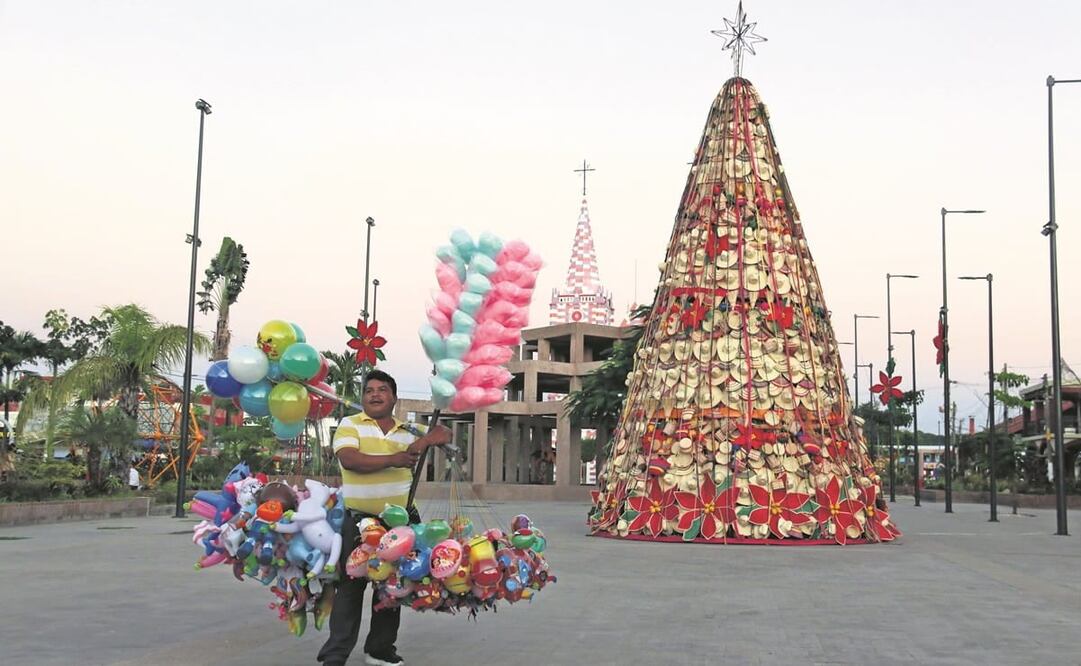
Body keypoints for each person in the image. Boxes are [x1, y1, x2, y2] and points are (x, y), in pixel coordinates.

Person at [318, 369, 451, 666]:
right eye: (369, 390)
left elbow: (444, 433)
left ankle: (379, 650)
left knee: (392, 587)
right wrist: (396, 458)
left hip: (398, 523)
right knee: (350, 588)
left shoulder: (408, 430)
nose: (375, 394)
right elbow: (350, 461)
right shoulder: (349, 424)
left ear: (394, 397)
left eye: (382, 390)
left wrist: (430, 439)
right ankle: (335, 655)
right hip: (359, 521)